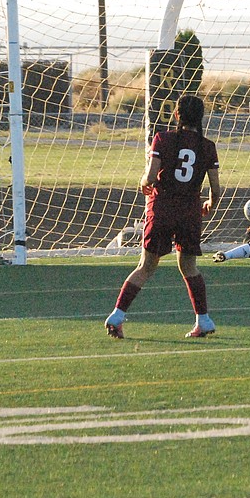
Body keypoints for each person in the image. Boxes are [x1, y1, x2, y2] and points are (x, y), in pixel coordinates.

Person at [105, 95, 222, 338]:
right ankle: (204, 320)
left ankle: (116, 316)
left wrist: (143, 182)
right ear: (201, 118)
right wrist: (211, 202)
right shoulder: (207, 146)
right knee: (189, 267)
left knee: (146, 266)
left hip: (163, 208)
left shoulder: (163, 138)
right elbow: (216, 188)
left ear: (177, 115)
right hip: (190, 211)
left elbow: (150, 177)